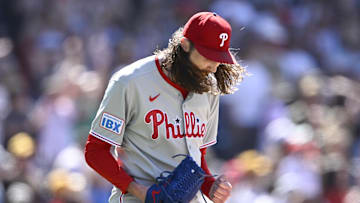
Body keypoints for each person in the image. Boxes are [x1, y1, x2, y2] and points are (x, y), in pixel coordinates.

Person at [84, 11, 246, 203]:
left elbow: (197, 157)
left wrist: (210, 185)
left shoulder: (209, 88)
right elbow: (95, 151)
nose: (214, 66)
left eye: (219, 57)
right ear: (185, 45)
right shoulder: (129, 82)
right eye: (207, 56)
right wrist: (140, 192)